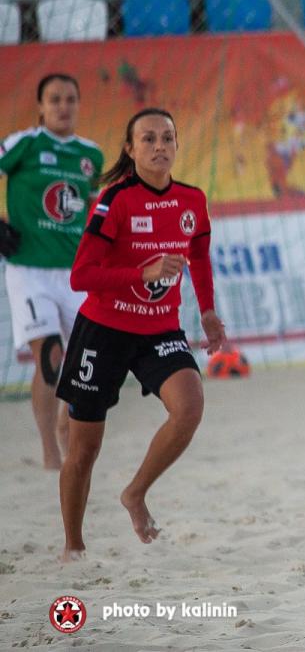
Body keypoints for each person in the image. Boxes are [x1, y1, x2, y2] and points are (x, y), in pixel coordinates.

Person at [56, 108, 226, 562]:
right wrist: (141, 272)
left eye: (167, 138)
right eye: (148, 139)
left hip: (159, 328)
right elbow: (81, 276)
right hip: (103, 330)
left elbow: (199, 257)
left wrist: (208, 311)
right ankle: (73, 546)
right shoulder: (115, 200)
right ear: (130, 149)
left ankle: (135, 493)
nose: (159, 146)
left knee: (190, 406)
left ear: (177, 145)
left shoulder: (192, 199)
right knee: (84, 449)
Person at [1, 74, 104, 470]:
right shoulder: (23, 144)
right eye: (55, 99)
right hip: (29, 270)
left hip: (75, 273)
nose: (63, 106)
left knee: (88, 359)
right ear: (40, 107)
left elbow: (92, 213)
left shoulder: (91, 155)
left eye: (70, 99)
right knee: (51, 357)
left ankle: (66, 424)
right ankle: (49, 454)